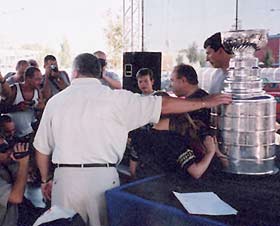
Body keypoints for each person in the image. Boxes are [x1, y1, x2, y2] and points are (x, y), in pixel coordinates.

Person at [34, 53, 231, 226]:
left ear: (74, 73)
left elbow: (42, 149)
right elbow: (163, 105)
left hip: (65, 181)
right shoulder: (118, 98)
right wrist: (206, 101)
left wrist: (45, 180)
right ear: (98, 73)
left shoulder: (55, 102)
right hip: (102, 181)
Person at [7, 66, 45, 141]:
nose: (40, 82)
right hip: (12, 136)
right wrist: (16, 108)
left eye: (41, 79)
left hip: (30, 134)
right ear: (27, 79)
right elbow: (2, 108)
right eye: (37, 79)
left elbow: (39, 117)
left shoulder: (38, 92)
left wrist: (41, 109)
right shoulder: (14, 89)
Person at [0, 137, 30, 226]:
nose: (9, 151)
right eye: (3, 149)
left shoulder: (4, 166)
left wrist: (19, 159)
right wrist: (24, 164)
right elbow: (16, 197)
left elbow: (22, 179)